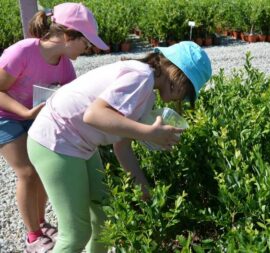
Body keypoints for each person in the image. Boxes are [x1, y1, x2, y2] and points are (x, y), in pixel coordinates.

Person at [26, 41, 212, 252]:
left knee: (105, 219)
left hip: (78, 143)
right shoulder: (141, 76)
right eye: (187, 92)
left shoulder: (148, 93)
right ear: (178, 75)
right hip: (56, 139)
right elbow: (94, 114)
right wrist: (150, 133)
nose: (184, 99)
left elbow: (121, 145)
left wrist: (144, 188)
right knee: (76, 233)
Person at [0, 2, 108, 252]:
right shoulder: (22, 52)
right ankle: (33, 235)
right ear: (68, 36)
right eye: (86, 41)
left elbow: (72, 101)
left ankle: (40, 221)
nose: (88, 47)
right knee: (27, 172)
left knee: (43, 167)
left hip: (34, 116)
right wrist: (25, 112)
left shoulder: (65, 65)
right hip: (5, 116)